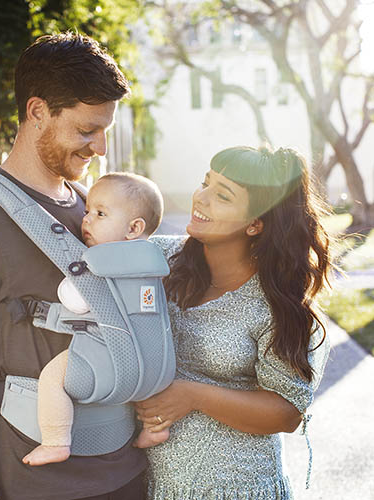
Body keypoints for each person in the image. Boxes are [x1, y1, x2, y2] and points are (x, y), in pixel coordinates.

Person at [0, 33, 148, 500]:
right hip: (33, 474)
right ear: (37, 112)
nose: (100, 147)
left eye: (104, 130)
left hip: (125, 462)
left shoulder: (94, 208)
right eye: (87, 130)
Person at [135, 146, 332, 499]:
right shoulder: (158, 259)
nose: (201, 198)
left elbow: (286, 413)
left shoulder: (277, 304)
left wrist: (193, 395)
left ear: (255, 223)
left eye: (222, 196)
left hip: (240, 488)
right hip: (153, 484)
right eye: (205, 183)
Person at [23, 172, 169, 467]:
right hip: (158, 363)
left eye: (100, 213)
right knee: (141, 384)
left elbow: (75, 300)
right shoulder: (152, 259)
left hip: (105, 357)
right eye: (88, 210)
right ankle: (155, 429)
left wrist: (68, 285)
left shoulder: (101, 261)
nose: (86, 220)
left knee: (52, 379)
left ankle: (55, 441)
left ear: (133, 228)